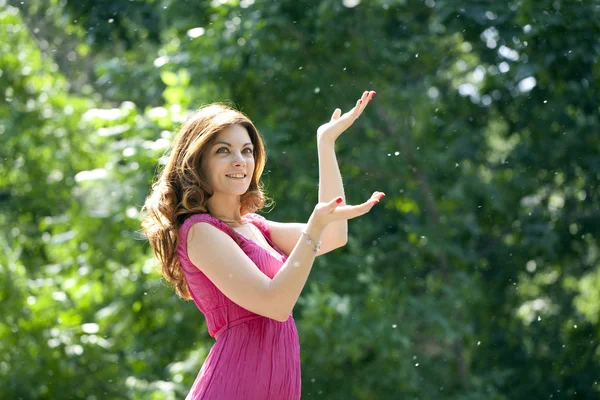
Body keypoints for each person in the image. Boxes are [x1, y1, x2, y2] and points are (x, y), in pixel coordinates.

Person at [141, 90, 384, 399]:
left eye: (247, 151)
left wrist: (326, 144)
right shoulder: (200, 232)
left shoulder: (255, 227)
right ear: (197, 161)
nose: (239, 161)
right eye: (223, 151)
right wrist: (314, 226)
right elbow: (275, 305)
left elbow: (335, 233)